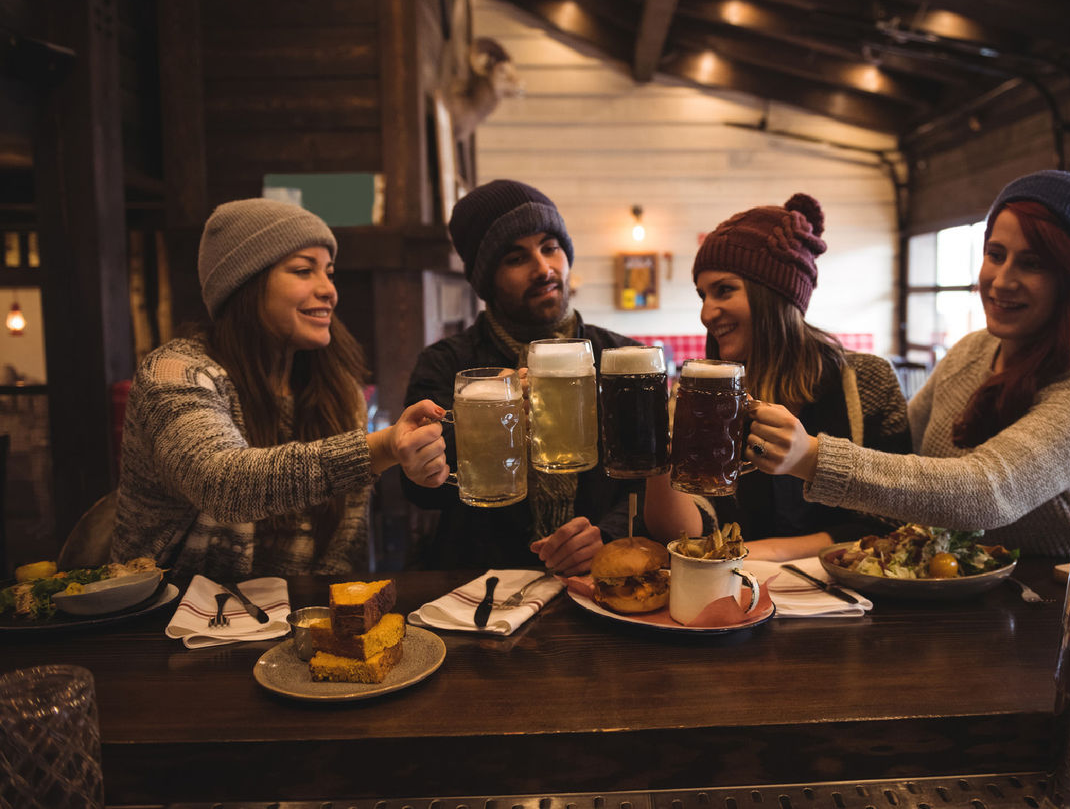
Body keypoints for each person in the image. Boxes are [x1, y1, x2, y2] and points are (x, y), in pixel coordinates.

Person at [746, 170, 1070, 556]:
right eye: (995, 255)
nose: (1002, 281)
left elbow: (986, 492)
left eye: (1032, 263)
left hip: (1064, 603)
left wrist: (812, 457)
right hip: (954, 593)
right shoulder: (973, 351)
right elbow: (901, 456)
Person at [111, 199, 450, 578]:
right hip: (160, 621)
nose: (329, 291)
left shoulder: (338, 389)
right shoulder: (174, 373)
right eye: (304, 270)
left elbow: (343, 543)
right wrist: (381, 447)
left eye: (330, 273)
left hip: (292, 619)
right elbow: (222, 484)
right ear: (245, 283)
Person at [402, 179, 698, 574]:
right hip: (482, 581)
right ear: (485, 279)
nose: (543, 269)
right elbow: (419, 491)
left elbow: (647, 478)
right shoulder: (447, 364)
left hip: (603, 580)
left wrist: (605, 536)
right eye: (515, 258)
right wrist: (492, 422)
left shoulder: (622, 360)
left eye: (550, 247)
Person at [645, 193, 913, 562]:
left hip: (852, 600)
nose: (706, 313)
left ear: (773, 293)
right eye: (702, 295)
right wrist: (655, 440)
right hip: (732, 598)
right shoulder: (703, 394)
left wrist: (759, 552)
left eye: (723, 290)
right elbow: (686, 533)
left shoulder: (866, 381)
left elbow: (892, 519)